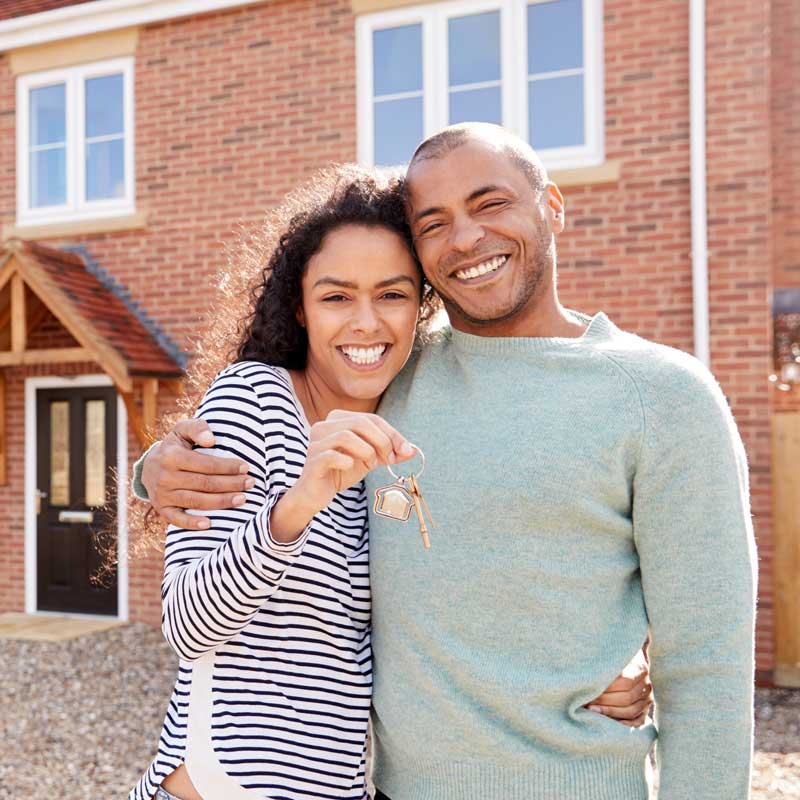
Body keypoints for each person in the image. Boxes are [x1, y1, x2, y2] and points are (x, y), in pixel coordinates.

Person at [130, 162, 650, 800]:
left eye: (393, 294)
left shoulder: (406, 411)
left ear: (422, 305)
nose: (366, 323)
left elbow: (476, 575)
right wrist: (293, 507)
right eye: (337, 295)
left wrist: (603, 656)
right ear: (299, 305)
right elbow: (185, 621)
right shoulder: (254, 400)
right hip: (221, 787)